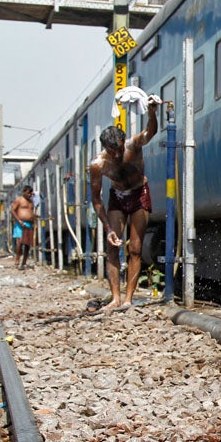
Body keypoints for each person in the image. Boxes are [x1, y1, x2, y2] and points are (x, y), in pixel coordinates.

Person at [88, 100, 159, 310]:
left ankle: (128, 299)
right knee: (112, 247)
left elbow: (150, 132)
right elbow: (96, 198)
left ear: (123, 142)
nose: (117, 155)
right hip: (117, 197)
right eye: (112, 152)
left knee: (135, 248)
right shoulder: (98, 165)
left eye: (119, 149)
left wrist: (152, 113)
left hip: (139, 194)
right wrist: (108, 228)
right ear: (105, 149)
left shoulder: (133, 146)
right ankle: (115, 298)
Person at [10, 185, 36, 269]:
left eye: (31, 193)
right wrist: (19, 220)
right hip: (20, 223)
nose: (30, 195)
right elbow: (12, 210)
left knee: (28, 243)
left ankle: (24, 262)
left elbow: (32, 212)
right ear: (24, 192)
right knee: (20, 242)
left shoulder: (31, 201)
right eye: (28, 193)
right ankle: (17, 259)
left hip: (29, 224)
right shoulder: (19, 200)